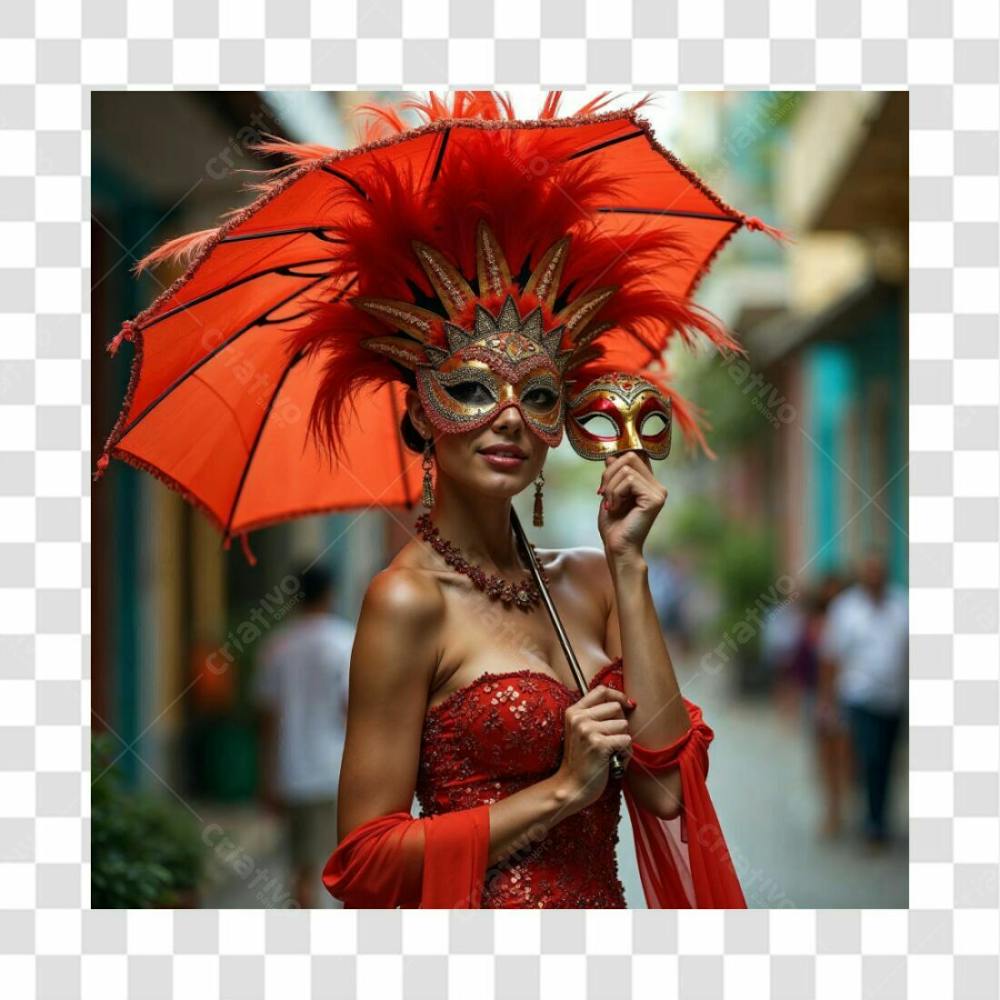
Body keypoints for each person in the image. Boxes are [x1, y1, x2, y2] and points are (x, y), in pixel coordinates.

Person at [283, 94, 755, 909]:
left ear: (560, 425)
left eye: (537, 396)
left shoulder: (594, 580)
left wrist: (631, 563)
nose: (508, 419)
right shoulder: (408, 601)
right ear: (421, 415)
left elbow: (670, 793)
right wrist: (560, 792)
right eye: (471, 389)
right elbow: (362, 867)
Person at [254, 563, 353, 907]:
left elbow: (268, 720)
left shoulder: (277, 647)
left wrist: (267, 779)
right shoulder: (345, 641)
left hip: (293, 772)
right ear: (330, 594)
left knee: (301, 870)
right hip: (337, 771)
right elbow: (351, 711)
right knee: (346, 866)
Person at [818, 552, 907, 849]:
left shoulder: (900, 605)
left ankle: (879, 816)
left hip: (893, 699)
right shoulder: (846, 609)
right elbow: (831, 657)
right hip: (859, 697)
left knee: (885, 760)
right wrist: (827, 701)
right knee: (870, 758)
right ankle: (873, 824)